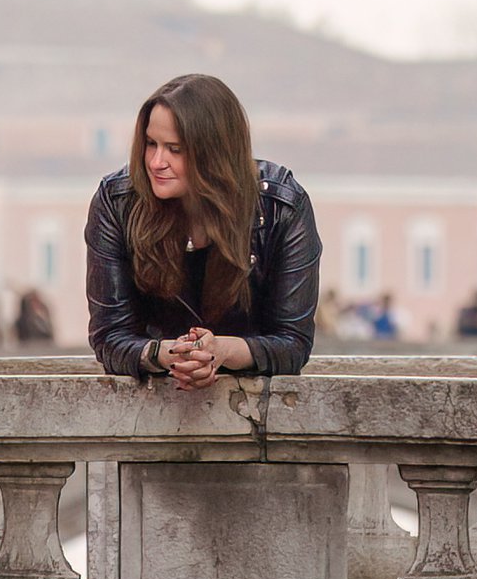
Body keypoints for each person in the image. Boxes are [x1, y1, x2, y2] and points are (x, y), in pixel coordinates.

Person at [85, 72, 320, 383]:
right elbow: (109, 337)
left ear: (215, 152)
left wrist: (221, 351)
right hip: (150, 398)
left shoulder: (282, 206)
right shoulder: (117, 201)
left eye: (175, 149)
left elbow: (293, 343)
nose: (156, 162)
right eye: (151, 144)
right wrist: (168, 354)